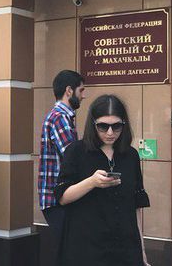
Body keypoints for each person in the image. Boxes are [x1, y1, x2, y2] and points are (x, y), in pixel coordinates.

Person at [54, 95, 150, 266]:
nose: (110, 133)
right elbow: (62, 197)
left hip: (125, 248)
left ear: (124, 125)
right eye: (103, 126)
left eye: (117, 126)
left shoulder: (131, 155)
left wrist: (142, 252)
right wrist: (91, 182)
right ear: (93, 124)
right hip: (86, 249)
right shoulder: (76, 151)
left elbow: (136, 207)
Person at [38, 70, 85, 265]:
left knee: (66, 251)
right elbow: (72, 156)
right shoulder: (60, 117)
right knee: (67, 254)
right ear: (69, 90)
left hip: (57, 198)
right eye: (81, 90)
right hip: (58, 199)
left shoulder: (62, 116)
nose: (84, 95)